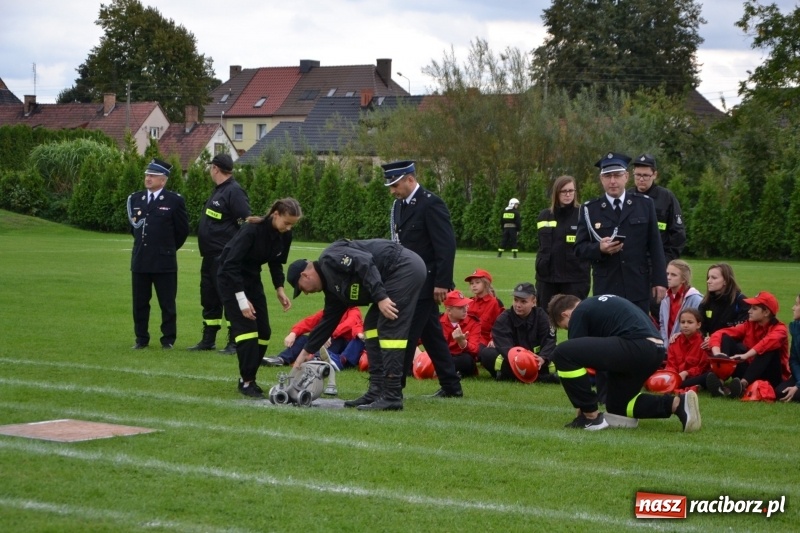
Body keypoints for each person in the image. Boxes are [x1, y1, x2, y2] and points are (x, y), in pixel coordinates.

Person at [288, 238, 427, 411]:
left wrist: (381, 297)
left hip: (403, 267)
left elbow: (363, 260)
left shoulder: (329, 258)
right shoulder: (332, 290)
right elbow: (327, 322)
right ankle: (376, 390)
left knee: (389, 328)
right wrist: (305, 353)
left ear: (305, 275)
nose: (306, 293)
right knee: (371, 326)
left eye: (301, 288)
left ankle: (392, 395)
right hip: (395, 274)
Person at [548, 293, 701, 432]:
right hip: (655, 350)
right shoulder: (599, 305)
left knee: (562, 353)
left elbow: (576, 355)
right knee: (618, 407)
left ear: (566, 314)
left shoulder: (579, 312)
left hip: (636, 345)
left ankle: (591, 418)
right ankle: (677, 404)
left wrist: (584, 407)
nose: (571, 327)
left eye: (566, 326)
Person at [386, 160, 463, 398]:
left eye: (396, 185)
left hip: (426, 282)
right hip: (407, 280)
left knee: (406, 333)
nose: (392, 191)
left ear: (410, 179)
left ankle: (393, 388)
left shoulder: (431, 204)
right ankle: (451, 386)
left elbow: (445, 246)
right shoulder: (398, 206)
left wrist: (442, 282)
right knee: (431, 335)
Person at [217, 198, 301, 398]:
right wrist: (241, 299)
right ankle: (247, 382)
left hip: (252, 279)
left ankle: (249, 378)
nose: (289, 228)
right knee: (247, 331)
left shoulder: (284, 235)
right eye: (286, 222)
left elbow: (275, 262)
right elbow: (230, 265)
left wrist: (279, 288)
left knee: (264, 331)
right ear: (275, 214)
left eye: (293, 224)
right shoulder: (251, 230)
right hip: (230, 278)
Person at [574, 152, 667, 314]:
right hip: (606, 286)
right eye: (608, 176)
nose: (613, 181)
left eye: (617, 175)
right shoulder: (590, 209)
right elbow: (579, 249)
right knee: (608, 335)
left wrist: (660, 281)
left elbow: (655, 245)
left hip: (637, 285)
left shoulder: (644, 204)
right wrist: (599, 249)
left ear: (626, 177)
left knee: (638, 335)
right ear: (601, 179)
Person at [187, 153, 250, 354]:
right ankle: (208, 339)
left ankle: (234, 341)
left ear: (215, 168)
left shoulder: (234, 192)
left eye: (210, 167)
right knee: (210, 298)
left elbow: (245, 224)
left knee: (229, 298)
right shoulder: (219, 191)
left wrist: (234, 252)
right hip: (209, 257)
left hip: (224, 258)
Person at [128, 158, 189, 350]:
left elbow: (182, 231)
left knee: (167, 304)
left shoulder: (174, 200)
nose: (148, 178)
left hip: (164, 261)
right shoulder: (135, 199)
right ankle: (141, 338)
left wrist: (167, 248)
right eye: (147, 175)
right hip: (141, 259)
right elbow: (134, 228)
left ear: (163, 180)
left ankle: (168, 339)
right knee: (140, 303)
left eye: (153, 176)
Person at [629, 154, 686, 321]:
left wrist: (665, 262)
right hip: (632, 266)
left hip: (657, 266)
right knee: (631, 311)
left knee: (658, 311)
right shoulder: (628, 198)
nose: (641, 179)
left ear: (654, 175)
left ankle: (661, 346)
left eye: (645, 175)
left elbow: (678, 234)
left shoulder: (666, 198)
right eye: (638, 175)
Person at [707, 291, 789, 398]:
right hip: (751, 369)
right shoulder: (749, 325)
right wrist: (717, 354)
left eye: (754, 309)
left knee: (768, 348)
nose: (749, 311)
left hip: (772, 376)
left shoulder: (780, 329)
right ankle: (720, 381)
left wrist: (745, 356)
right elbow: (720, 333)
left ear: (766, 312)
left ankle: (742, 384)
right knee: (726, 338)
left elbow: (766, 343)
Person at [478, 282, 557, 383]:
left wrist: (543, 358)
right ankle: (542, 378)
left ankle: (507, 376)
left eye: (523, 302)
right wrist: (520, 360)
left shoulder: (542, 317)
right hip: (512, 360)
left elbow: (549, 340)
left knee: (560, 351)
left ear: (534, 302)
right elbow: (504, 346)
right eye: (516, 300)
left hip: (537, 361)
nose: (518, 305)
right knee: (487, 353)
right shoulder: (504, 318)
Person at [535, 175, 591, 313]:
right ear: (556, 193)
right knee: (545, 321)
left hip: (574, 277)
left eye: (571, 191)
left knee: (576, 319)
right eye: (564, 191)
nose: (568, 194)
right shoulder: (544, 215)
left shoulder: (583, 214)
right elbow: (541, 244)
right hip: (547, 277)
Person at [262, 307, 364, 369]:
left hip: (341, 346)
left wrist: (329, 334)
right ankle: (281, 359)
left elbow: (348, 324)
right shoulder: (331, 310)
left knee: (337, 340)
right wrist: (294, 333)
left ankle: (316, 359)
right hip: (328, 342)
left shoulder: (353, 311)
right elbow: (310, 321)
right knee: (303, 339)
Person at [697, 263, 749, 351]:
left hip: (734, 348)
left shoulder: (740, 301)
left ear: (726, 281)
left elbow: (742, 331)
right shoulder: (705, 303)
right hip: (711, 345)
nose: (708, 281)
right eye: (708, 277)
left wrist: (715, 339)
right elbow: (699, 327)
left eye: (714, 278)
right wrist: (704, 338)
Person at [439, 290, 482, 377]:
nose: (465, 309)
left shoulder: (473, 322)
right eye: (460, 307)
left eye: (465, 305)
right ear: (449, 310)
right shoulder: (438, 322)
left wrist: (462, 342)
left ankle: (439, 371)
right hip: (442, 357)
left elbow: (476, 351)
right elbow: (417, 340)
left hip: (461, 358)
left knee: (466, 360)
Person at [659, 259, 702, 346]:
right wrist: (665, 344)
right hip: (668, 348)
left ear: (683, 279)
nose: (668, 277)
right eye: (667, 274)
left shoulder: (695, 299)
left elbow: (699, 326)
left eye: (673, 275)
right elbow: (662, 324)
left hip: (687, 347)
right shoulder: (665, 298)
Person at [664, 308, 710, 389]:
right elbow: (671, 364)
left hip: (693, 377)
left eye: (690, 322)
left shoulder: (703, 343)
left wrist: (686, 373)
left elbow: (702, 368)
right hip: (676, 376)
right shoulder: (674, 342)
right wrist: (674, 375)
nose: (685, 325)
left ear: (698, 325)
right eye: (682, 322)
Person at [464, 269, 503, 346]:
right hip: (468, 338)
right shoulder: (469, 302)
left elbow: (500, 325)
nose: (473, 285)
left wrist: (493, 340)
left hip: (483, 341)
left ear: (486, 284)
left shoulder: (494, 303)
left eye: (477, 282)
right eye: (471, 283)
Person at [776, 294, 800, 402]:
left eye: (797, 304)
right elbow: (794, 359)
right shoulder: (796, 326)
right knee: (781, 392)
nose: (793, 308)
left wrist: (798, 386)